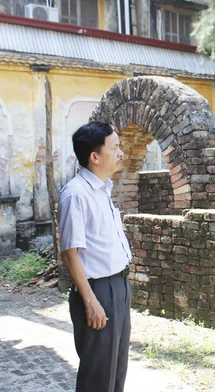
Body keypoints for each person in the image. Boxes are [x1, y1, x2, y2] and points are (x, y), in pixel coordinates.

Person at [57, 121, 132, 392]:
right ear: (95, 156)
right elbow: (70, 253)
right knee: (97, 375)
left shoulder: (102, 189)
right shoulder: (76, 195)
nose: (121, 153)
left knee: (116, 368)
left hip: (119, 285)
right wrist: (90, 301)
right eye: (115, 148)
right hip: (98, 290)